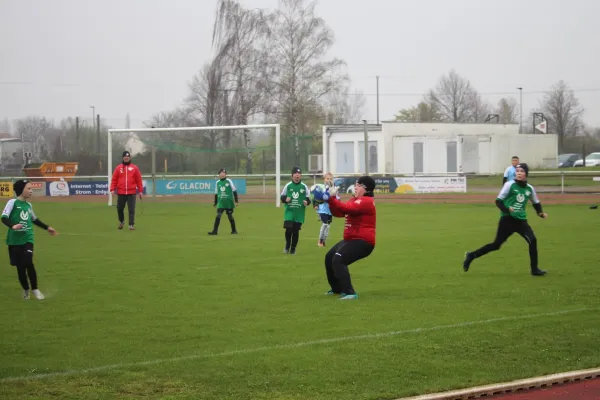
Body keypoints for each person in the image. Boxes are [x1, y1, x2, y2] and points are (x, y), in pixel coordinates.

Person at [463, 163, 548, 276]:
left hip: (521, 221)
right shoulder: (509, 185)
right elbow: (498, 201)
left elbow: (535, 202)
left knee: (532, 240)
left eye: (522, 171)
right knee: (496, 245)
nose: (519, 173)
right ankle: (471, 255)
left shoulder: (530, 189)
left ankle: (534, 269)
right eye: (517, 171)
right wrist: (507, 210)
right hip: (507, 220)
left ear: (526, 174)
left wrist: (540, 213)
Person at [318, 175, 377, 300]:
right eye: (356, 184)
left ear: (366, 189)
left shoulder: (366, 201)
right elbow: (339, 213)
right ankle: (337, 289)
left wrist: (332, 198)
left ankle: (350, 292)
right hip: (352, 239)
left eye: (359, 185)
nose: (355, 187)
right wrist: (331, 200)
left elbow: (345, 208)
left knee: (338, 260)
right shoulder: (355, 200)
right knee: (329, 257)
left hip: (363, 242)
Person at [1, 180, 57, 300]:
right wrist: (13, 226)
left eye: (31, 188)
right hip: (14, 240)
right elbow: (4, 217)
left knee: (28, 261)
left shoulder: (29, 205)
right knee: (20, 267)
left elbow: (34, 219)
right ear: (21, 190)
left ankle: (36, 289)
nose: (31, 191)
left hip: (28, 238)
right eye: (29, 188)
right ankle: (26, 289)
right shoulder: (12, 202)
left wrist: (47, 228)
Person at [110, 151, 144, 230]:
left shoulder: (134, 168)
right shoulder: (118, 168)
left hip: (131, 192)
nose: (126, 157)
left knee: (131, 209)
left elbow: (138, 180)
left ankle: (131, 225)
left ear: (130, 158)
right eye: (125, 156)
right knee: (119, 208)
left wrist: (140, 191)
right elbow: (114, 179)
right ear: (123, 158)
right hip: (121, 192)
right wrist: (112, 189)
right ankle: (121, 221)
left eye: (128, 156)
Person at [280, 167, 311, 254]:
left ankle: (293, 249)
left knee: (295, 231)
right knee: (288, 229)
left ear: (300, 176)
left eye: (299, 174)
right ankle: (287, 245)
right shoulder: (288, 185)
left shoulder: (304, 186)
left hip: (299, 213)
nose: (297, 175)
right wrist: (286, 199)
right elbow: (282, 197)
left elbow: (309, 199)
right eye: (295, 173)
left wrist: (307, 202)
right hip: (289, 212)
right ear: (292, 175)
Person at [208, 168, 239, 235]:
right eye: (221, 173)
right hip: (221, 202)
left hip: (229, 202)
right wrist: (215, 203)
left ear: (226, 174)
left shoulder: (229, 181)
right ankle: (215, 231)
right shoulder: (217, 182)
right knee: (218, 216)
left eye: (223, 173)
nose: (222, 174)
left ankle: (234, 230)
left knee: (230, 216)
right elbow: (216, 193)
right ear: (219, 174)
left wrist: (236, 201)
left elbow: (234, 191)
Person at [314, 172, 337, 247]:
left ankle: (324, 241)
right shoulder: (320, 187)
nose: (329, 180)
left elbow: (337, 198)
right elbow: (316, 197)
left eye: (331, 179)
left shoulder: (334, 188)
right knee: (325, 224)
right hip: (322, 209)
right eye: (327, 178)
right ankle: (320, 240)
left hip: (330, 209)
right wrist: (316, 204)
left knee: (328, 225)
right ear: (324, 179)